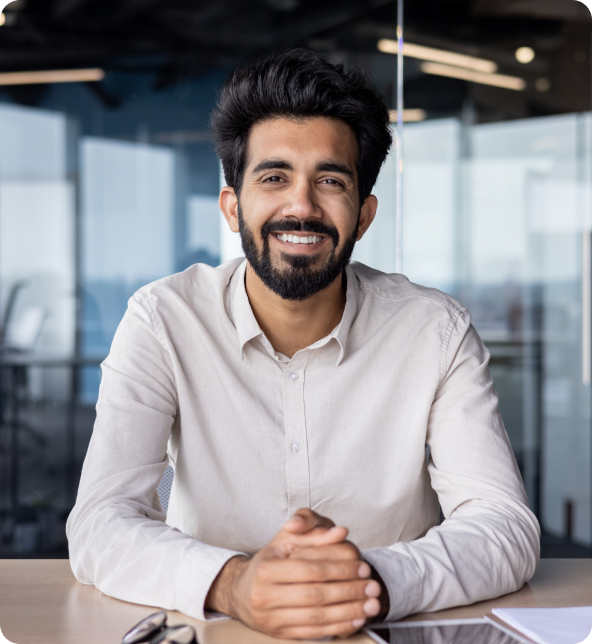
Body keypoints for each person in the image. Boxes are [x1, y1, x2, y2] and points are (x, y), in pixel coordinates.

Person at [67, 49, 540, 640]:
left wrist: (368, 578)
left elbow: (505, 525)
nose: (302, 205)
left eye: (330, 180)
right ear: (232, 205)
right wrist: (233, 583)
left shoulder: (434, 331)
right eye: (274, 177)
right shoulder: (164, 320)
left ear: (363, 215)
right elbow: (99, 522)